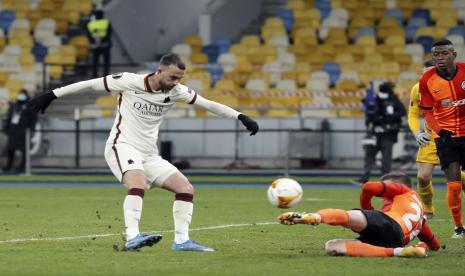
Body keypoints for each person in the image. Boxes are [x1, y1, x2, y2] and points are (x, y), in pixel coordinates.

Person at [27, 53, 259, 251]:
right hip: (122, 145)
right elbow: (89, 84)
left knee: (185, 188)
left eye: (180, 78)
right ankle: (132, 237)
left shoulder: (177, 91)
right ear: (159, 71)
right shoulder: (128, 81)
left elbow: (209, 104)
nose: (176, 82)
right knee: (137, 184)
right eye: (173, 77)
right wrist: (52, 94)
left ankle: (181, 241)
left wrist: (240, 116)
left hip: (149, 154)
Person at [278, 172, 441, 257]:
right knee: (332, 246)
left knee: (352, 216)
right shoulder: (421, 217)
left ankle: (317, 217)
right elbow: (434, 243)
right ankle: (400, 252)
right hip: (395, 241)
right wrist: (425, 245)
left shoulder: (403, 189)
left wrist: (366, 209)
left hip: (389, 223)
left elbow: (368, 187)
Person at [419, 39, 465, 238]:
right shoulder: (427, 80)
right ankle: (458, 227)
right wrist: (439, 130)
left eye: (444, 53)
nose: (439, 58)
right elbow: (427, 112)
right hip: (446, 137)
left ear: (454, 55)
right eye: (435, 54)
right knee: (454, 185)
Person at [408, 60, 465, 219]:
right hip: (431, 137)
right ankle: (428, 209)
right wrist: (417, 133)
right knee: (422, 176)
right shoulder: (418, 88)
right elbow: (413, 114)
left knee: (457, 176)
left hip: (454, 136)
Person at [353, 82, 406, 184]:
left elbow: (402, 112)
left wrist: (389, 117)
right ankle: (365, 177)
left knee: (386, 158)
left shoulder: (394, 100)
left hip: (388, 133)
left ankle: (385, 179)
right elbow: (369, 114)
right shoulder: (375, 100)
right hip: (375, 133)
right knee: (369, 156)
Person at [3, 89, 37, 173]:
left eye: (23, 94)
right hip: (13, 131)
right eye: (20, 93)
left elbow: (34, 118)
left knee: (24, 150)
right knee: (10, 150)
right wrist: (7, 128)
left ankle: (21, 167)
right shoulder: (14, 106)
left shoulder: (30, 105)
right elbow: (9, 117)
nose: (21, 95)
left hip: (24, 132)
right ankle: (8, 167)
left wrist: (31, 128)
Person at [87, 9, 112, 78]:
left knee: (95, 62)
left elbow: (88, 35)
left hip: (95, 45)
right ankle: (106, 76)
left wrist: (95, 42)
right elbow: (109, 33)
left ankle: (94, 76)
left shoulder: (90, 24)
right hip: (105, 45)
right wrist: (101, 41)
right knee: (106, 62)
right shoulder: (106, 22)